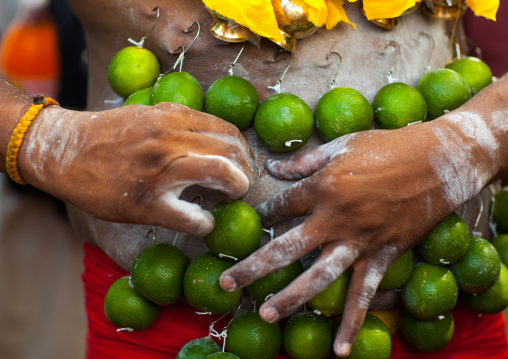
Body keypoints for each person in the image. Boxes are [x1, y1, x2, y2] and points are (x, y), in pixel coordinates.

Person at [1, 0, 507, 357]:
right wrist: (45, 140)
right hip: (174, 321)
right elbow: (41, 138)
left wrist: (468, 142)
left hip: (453, 305)